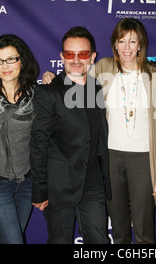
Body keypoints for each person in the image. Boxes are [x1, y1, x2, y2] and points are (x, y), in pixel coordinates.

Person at [30, 26, 111, 244]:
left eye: (83, 54)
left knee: (99, 240)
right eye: (69, 54)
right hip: (59, 186)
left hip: (93, 182)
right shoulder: (49, 92)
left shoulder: (98, 89)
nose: (76, 59)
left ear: (92, 57)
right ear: (62, 57)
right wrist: (40, 190)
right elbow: (38, 144)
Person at [92, 18, 156, 244]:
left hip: (144, 158)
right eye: (122, 41)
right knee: (119, 229)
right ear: (115, 43)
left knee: (144, 229)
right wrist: (51, 78)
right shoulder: (103, 67)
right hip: (111, 157)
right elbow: (76, 85)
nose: (127, 47)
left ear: (140, 45)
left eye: (132, 41)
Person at [0, 34, 39, 243]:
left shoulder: (36, 95)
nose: (5, 65)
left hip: (26, 182)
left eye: (11, 59)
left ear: (22, 61)